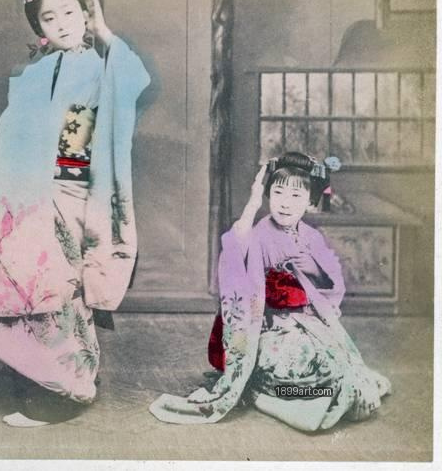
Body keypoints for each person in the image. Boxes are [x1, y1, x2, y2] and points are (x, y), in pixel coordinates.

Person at [0, 0, 150, 427]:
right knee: (30, 288)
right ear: (39, 27)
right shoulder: (36, 72)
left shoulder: (100, 64)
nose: (62, 23)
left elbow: (119, 97)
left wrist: (103, 31)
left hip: (68, 192)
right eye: (49, 18)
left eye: (69, 12)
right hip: (26, 198)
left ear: (85, 12)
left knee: (60, 290)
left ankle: (67, 391)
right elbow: (17, 138)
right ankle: (46, 377)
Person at [149, 152, 391, 431]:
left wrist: (311, 268)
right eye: (278, 192)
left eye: (296, 196)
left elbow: (334, 279)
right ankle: (269, 396)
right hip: (268, 330)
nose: (285, 203)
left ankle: (300, 396)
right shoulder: (259, 233)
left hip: (308, 324)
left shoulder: (312, 237)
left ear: (310, 202)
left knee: (339, 367)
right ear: (268, 195)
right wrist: (252, 204)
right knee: (306, 365)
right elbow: (235, 250)